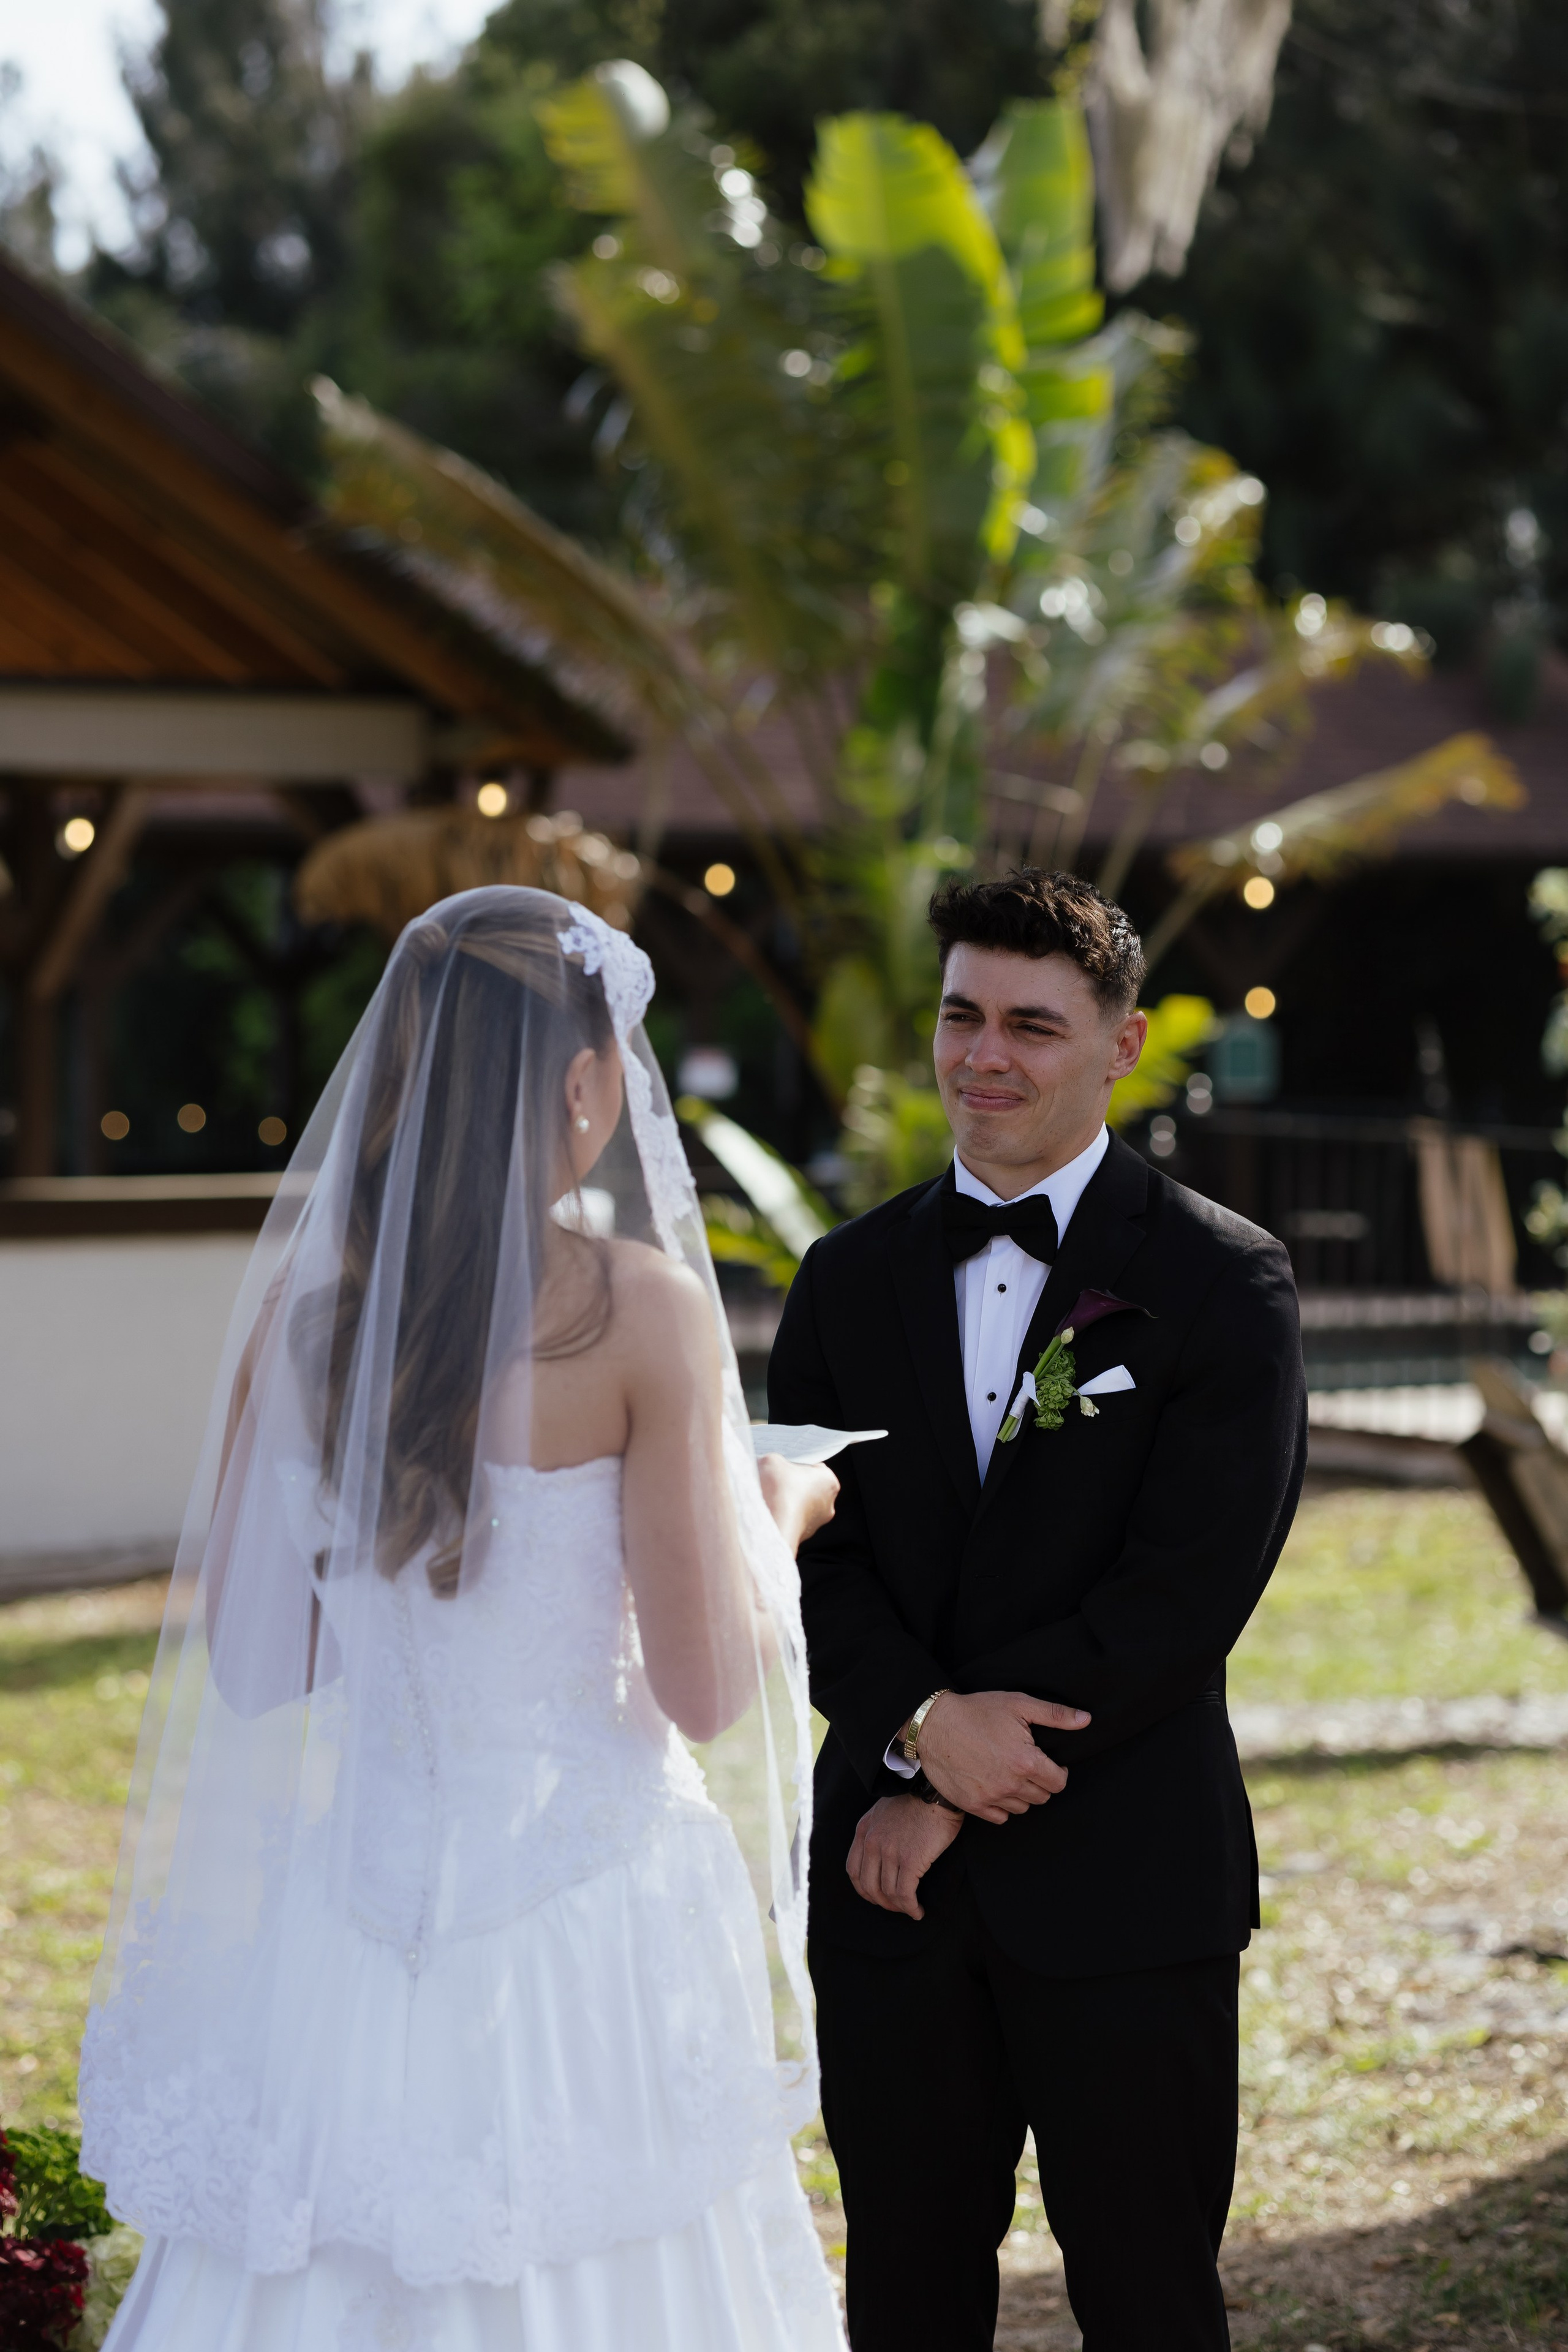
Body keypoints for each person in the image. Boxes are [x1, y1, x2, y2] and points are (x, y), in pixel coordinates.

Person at [80, 887, 848, 2352]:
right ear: (579, 1083)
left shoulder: (306, 1326)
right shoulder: (637, 1309)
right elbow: (700, 1689)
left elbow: (251, 1668)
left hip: (353, 1920)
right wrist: (779, 1510)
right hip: (584, 1920)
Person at [769, 867, 1308, 2351]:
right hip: (889, 1902)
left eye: (1030, 1024)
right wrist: (916, 1729)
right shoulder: (842, 1281)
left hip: (1124, 1881)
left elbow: (1184, 1590)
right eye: (959, 1016)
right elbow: (810, 1559)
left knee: (1145, 2294)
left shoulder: (1220, 1280)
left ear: (1120, 1044)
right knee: (904, 2286)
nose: (983, 1055)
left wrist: (943, 1784)